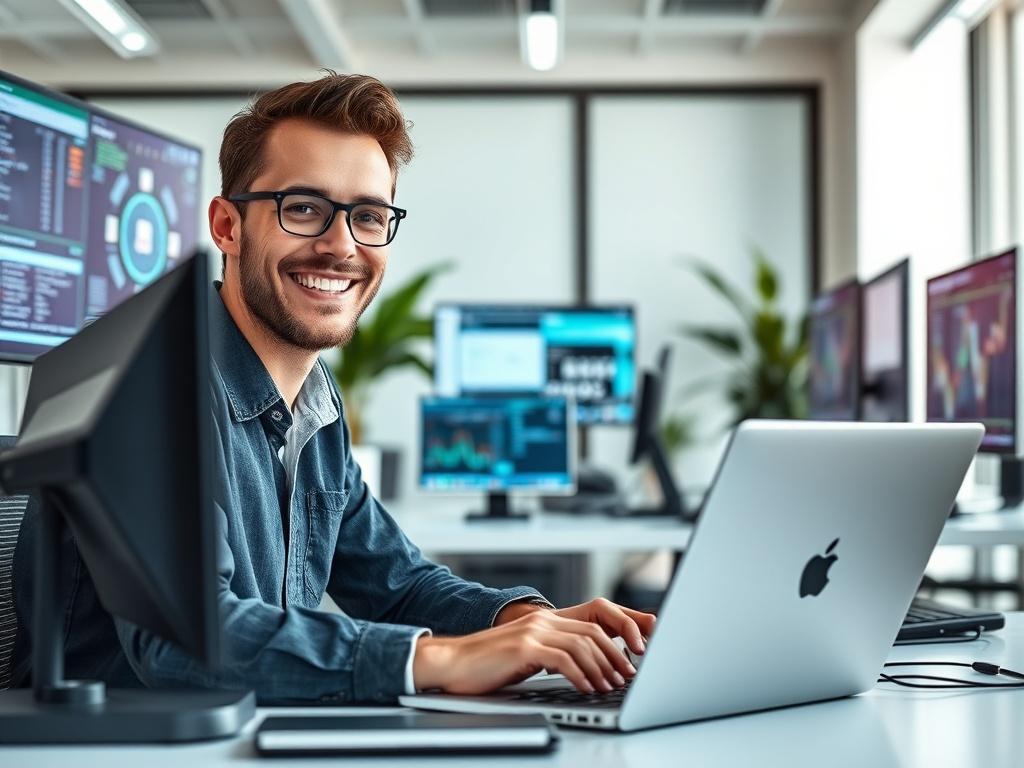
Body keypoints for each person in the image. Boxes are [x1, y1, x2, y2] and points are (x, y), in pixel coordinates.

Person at [13, 72, 654, 704]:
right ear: (227, 226)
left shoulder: (313, 400)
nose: (340, 245)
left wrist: (525, 622)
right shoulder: (151, 385)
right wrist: (438, 658)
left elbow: (397, 582)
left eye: (369, 216)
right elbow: (182, 641)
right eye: (304, 209)